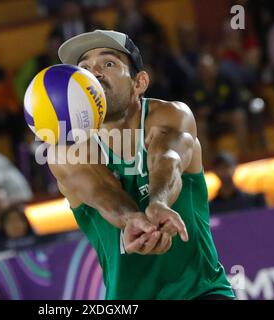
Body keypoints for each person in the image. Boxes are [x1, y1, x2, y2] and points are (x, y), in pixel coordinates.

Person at [47, 30, 235, 300]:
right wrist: (131, 219)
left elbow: (167, 158)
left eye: (108, 64)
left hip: (201, 292)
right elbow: (103, 193)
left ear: (140, 82)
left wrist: (158, 202)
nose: (94, 74)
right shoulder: (67, 149)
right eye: (84, 69)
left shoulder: (171, 115)